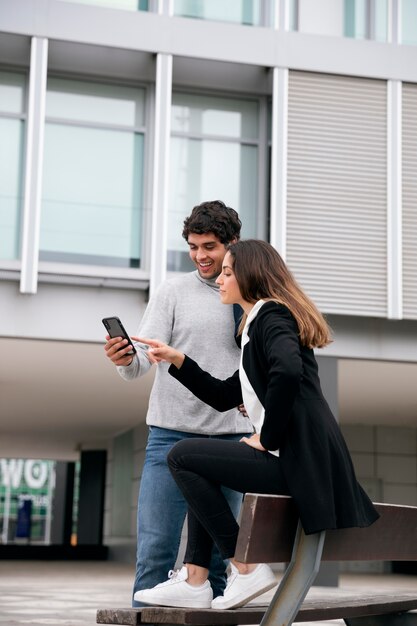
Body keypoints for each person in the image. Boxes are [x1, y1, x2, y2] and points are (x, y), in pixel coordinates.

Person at [134, 239, 380, 611]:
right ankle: (197, 580)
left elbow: (288, 371)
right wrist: (176, 358)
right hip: (301, 461)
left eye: (228, 273)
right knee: (200, 460)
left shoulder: (271, 314)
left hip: (300, 461)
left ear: (250, 277)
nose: (220, 280)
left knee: (182, 455)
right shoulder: (256, 328)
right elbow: (221, 395)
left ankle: (244, 568)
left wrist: (267, 437)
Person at [104, 201, 252, 607]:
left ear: (233, 243)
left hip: (229, 442)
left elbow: (264, 365)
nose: (201, 256)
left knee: (221, 565)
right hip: (169, 437)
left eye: (210, 246)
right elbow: (142, 362)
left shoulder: (251, 295)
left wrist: (253, 400)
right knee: (155, 553)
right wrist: (125, 360)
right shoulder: (172, 291)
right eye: (193, 247)